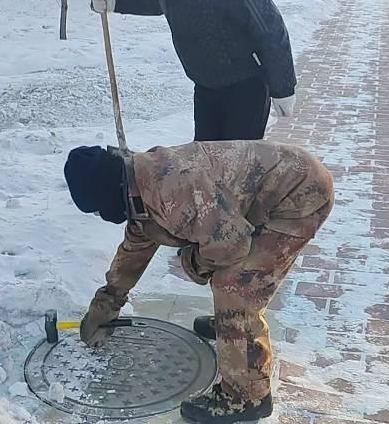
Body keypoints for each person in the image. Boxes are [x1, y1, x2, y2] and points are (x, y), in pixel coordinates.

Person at [64, 140, 334, 424]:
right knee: (225, 272)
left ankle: (247, 396)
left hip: (299, 194)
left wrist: (194, 263)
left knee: (235, 286)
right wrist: (105, 304)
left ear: (107, 195)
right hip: (269, 193)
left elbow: (231, 244)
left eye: (97, 210)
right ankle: (231, 330)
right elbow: (134, 251)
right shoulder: (138, 184)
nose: (101, 216)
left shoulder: (172, 189)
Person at [91, 0, 296, 142]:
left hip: (245, 86)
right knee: (203, 158)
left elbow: (268, 24)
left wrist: (283, 87)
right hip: (205, 82)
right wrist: (115, 1)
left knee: (236, 161)